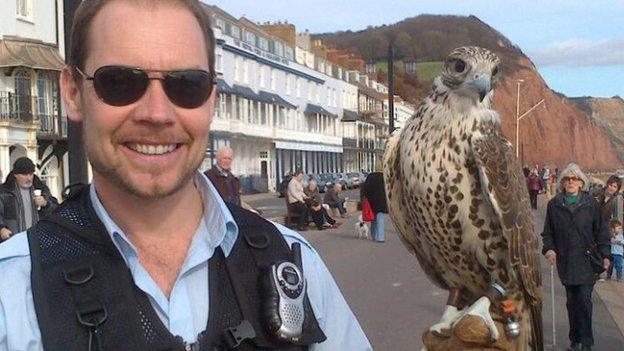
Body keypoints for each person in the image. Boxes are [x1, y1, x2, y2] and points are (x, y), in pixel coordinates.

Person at [0, 1, 371, 350]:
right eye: (120, 82)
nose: (158, 113)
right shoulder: (13, 292)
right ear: (72, 92)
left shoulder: (291, 262)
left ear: (211, 97)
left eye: (187, 85)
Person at [541, 163, 610, 351]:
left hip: (587, 261)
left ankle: (586, 342)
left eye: (574, 179)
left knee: (584, 302)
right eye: (567, 179)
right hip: (566, 261)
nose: (570, 182)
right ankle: (575, 339)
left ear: (581, 183)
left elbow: (602, 232)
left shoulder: (591, 205)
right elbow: (548, 233)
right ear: (562, 183)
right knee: (572, 303)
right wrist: (549, 249)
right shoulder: (554, 205)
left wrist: (605, 255)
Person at [0, 157, 58, 242]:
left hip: (37, 239)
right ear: (15, 175)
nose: (29, 178)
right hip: (12, 239)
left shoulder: (42, 190)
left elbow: (57, 211)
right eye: (24, 175)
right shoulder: (4, 192)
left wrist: (46, 204)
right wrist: (1, 229)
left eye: (31, 174)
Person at [361, 164, 388, 243]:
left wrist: (366, 198)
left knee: (373, 219)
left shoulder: (370, 177)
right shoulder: (384, 177)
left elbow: (365, 188)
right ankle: (380, 238)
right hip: (382, 201)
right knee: (380, 218)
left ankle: (373, 236)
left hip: (372, 201)